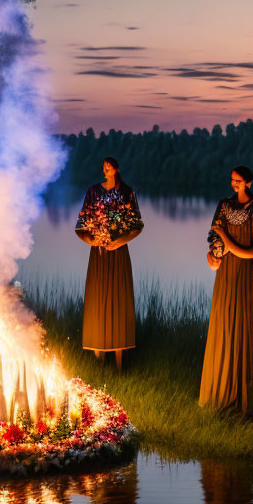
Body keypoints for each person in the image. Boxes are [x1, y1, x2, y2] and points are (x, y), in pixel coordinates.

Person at [199, 166, 253, 414]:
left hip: (247, 274)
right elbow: (213, 238)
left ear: (248, 182)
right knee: (226, 322)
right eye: (232, 180)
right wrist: (212, 255)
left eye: (238, 180)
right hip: (226, 273)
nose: (234, 183)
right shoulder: (224, 205)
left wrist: (226, 241)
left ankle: (246, 396)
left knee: (245, 323)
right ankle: (221, 390)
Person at [74, 156, 144, 370]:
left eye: (109, 167)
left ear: (116, 169)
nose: (105, 170)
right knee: (98, 299)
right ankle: (98, 359)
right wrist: (92, 240)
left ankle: (120, 360)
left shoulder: (127, 193)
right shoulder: (93, 192)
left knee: (119, 299)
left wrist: (120, 241)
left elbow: (137, 225)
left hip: (119, 253)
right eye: (103, 167)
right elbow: (80, 225)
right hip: (99, 254)